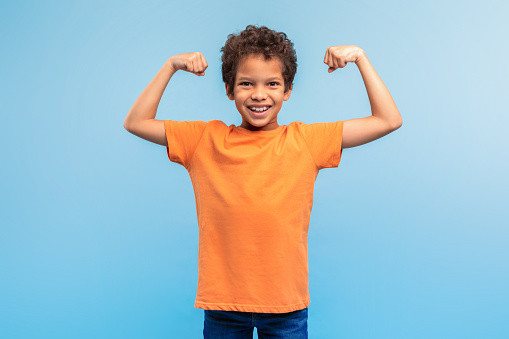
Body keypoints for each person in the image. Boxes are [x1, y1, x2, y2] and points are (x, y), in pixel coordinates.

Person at [123, 24, 402, 339]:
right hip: (223, 306)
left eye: (272, 83)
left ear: (287, 90)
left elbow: (388, 120)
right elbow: (136, 122)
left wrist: (361, 58)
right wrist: (171, 66)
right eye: (246, 83)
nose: (258, 94)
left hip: (286, 308)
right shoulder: (204, 139)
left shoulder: (306, 141)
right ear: (229, 90)